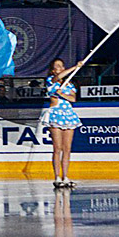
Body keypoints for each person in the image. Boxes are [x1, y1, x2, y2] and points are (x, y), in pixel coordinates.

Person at [40, 58, 83, 188]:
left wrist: (62, 95)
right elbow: (58, 77)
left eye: (62, 66)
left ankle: (65, 176)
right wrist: (75, 67)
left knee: (67, 148)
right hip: (56, 114)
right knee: (57, 148)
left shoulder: (69, 84)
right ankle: (57, 177)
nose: (60, 68)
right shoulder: (50, 81)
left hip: (68, 115)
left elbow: (73, 98)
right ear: (53, 70)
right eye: (57, 66)